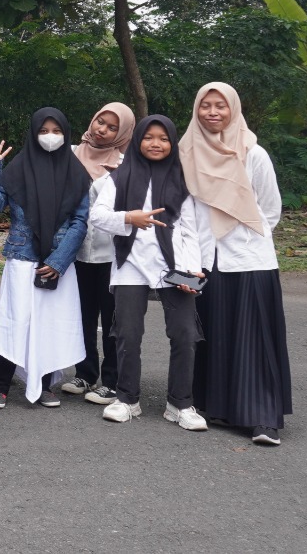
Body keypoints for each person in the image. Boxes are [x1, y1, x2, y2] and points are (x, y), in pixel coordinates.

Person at [182, 82, 290, 446]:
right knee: (214, 337)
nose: (212, 112)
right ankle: (217, 408)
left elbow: (270, 210)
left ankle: (263, 418)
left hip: (249, 261)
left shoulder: (252, 153)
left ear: (234, 110)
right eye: (205, 106)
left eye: (220, 106)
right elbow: (186, 214)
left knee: (253, 340)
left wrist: (242, 238)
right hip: (206, 260)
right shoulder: (188, 153)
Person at [89, 115, 208, 431]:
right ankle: (127, 400)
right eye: (149, 137)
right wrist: (129, 218)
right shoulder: (118, 178)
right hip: (131, 267)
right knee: (128, 334)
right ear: (138, 140)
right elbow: (97, 216)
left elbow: (192, 230)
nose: (156, 144)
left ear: (172, 143)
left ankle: (180, 403)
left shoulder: (182, 181)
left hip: (176, 267)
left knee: (184, 333)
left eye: (163, 138)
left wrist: (193, 270)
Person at [0, 107, 90, 414]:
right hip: (22, 258)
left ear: (66, 134)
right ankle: (1, 386)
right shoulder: (18, 170)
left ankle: (47, 384)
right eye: (43, 131)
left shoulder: (76, 174)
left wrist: (59, 261)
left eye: (56, 131)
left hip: (57, 264)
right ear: (33, 133)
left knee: (52, 322)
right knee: (16, 320)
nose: (49, 137)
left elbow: (80, 222)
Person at [62, 102, 135, 405]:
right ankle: (84, 373)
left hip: (112, 253)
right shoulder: (71, 155)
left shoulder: (126, 163)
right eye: (100, 122)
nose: (102, 129)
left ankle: (113, 381)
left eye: (111, 127)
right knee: (83, 315)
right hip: (76, 252)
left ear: (122, 133)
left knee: (112, 318)